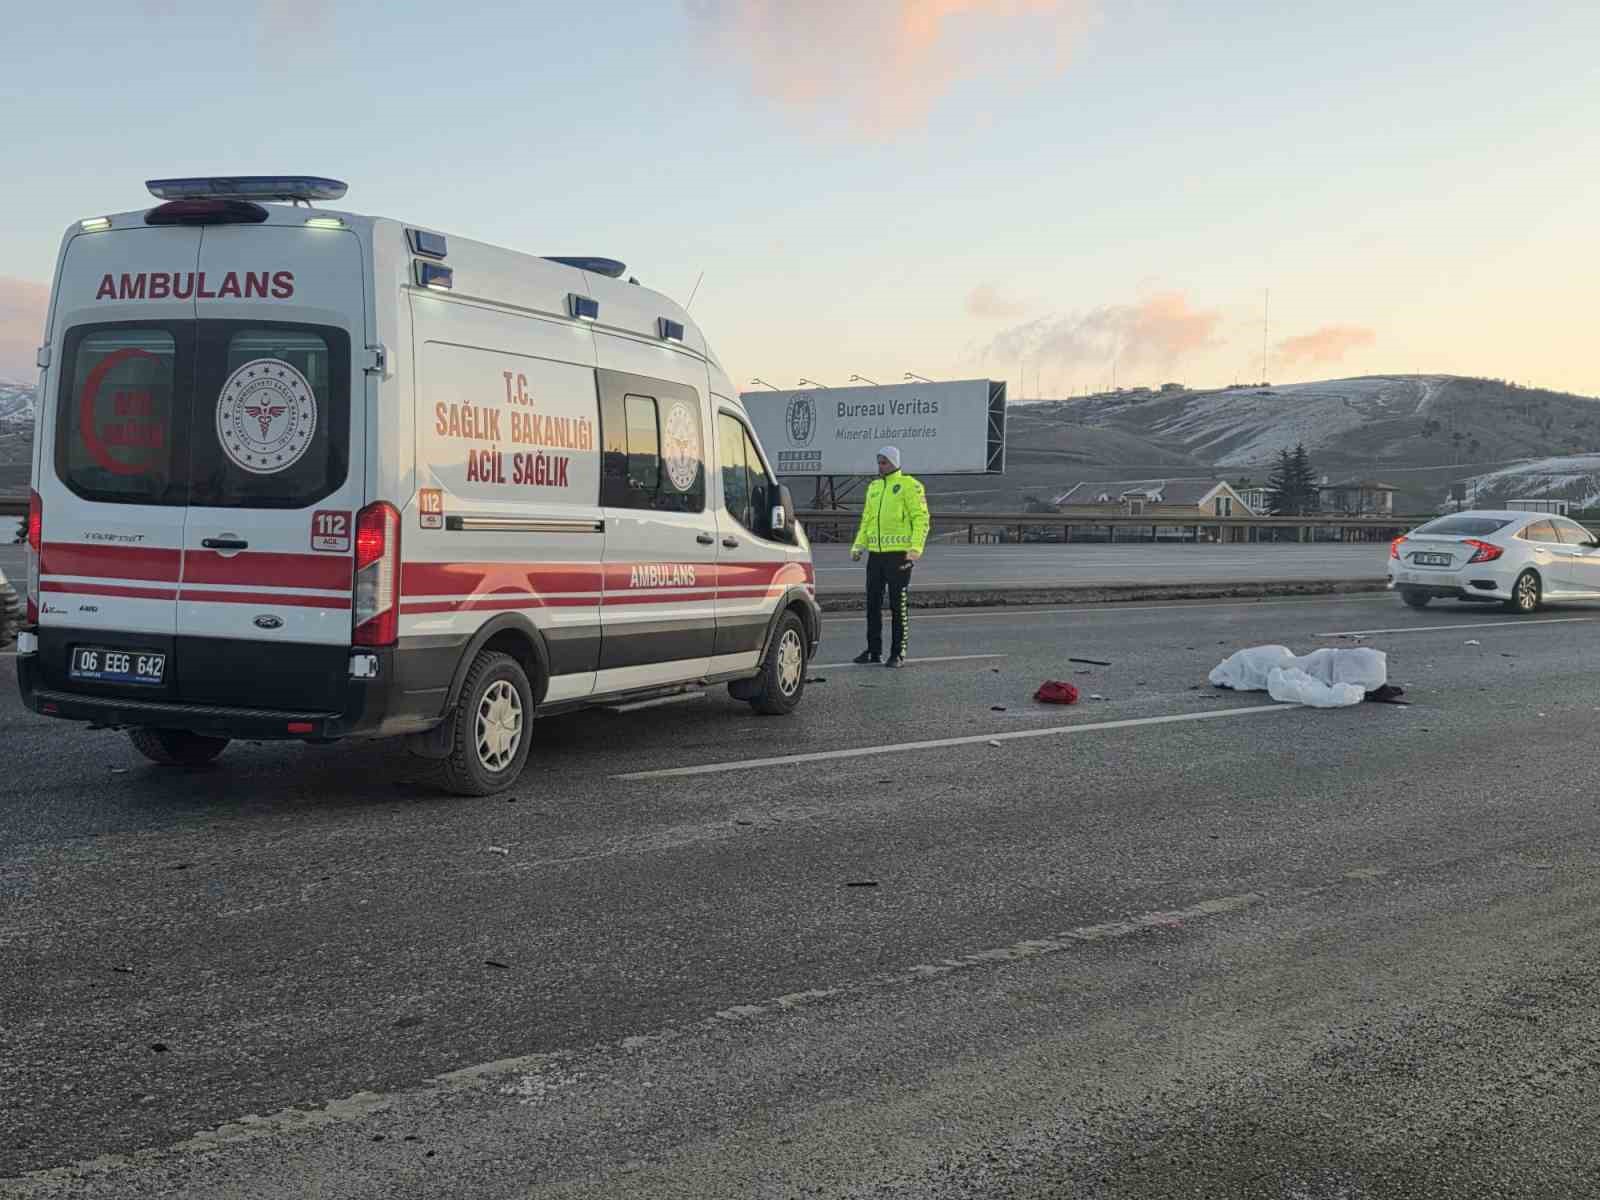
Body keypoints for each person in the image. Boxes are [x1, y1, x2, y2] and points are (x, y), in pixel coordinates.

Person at [850, 446, 930, 668]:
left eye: (884, 462)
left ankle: (898, 653)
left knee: (898, 605)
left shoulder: (910, 486)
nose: (880, 466)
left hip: (900, 556)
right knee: (872, 604)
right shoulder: (874, 488)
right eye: (879, 462)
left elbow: (921, 519)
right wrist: (858, 546)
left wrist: (915, 549)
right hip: (876, 556)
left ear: (894, 462)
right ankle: (874, 651)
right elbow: (866, 521)